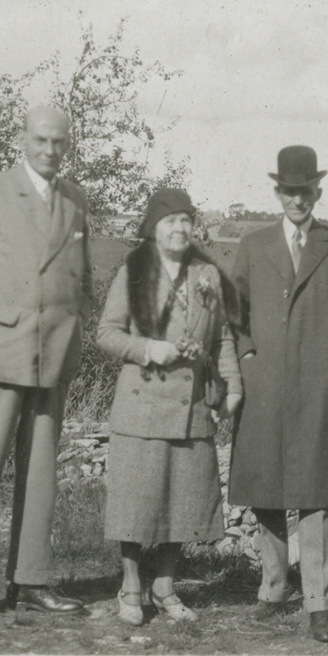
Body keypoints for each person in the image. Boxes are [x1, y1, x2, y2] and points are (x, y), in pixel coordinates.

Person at [0, 104, 92, 621]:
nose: (50, 151)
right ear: (23, 138)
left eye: (60, 143)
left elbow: (81, 279)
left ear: (69, 145)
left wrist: (74, 332)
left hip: (52, 357)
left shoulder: (76, 200)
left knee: (41, 474)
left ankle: (30, 582)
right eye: (41, 140)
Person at [228, 145, 328, 644]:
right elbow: (234, 309)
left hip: (317, 384)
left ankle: (318, 601)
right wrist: (246, 358)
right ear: (277, 192)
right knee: (265, 485)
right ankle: (272, 587)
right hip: (263, 384)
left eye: (305, 190)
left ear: (317, 192)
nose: (297, 198)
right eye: (289, 190)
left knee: (315, 492)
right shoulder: (253, 243)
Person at [96, 188, 243, 626]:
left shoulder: (207, 274)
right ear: (152, 229)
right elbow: (105, 333)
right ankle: (130, 587)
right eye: (169, 221)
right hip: (141, 404)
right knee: (134, 504)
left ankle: (165, 586)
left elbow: (224, 338)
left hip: (191, 404)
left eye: (185, 220)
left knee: (186, 500)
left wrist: (232, 384)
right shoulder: (134, 271)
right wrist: (148, 349)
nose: (179, 229)